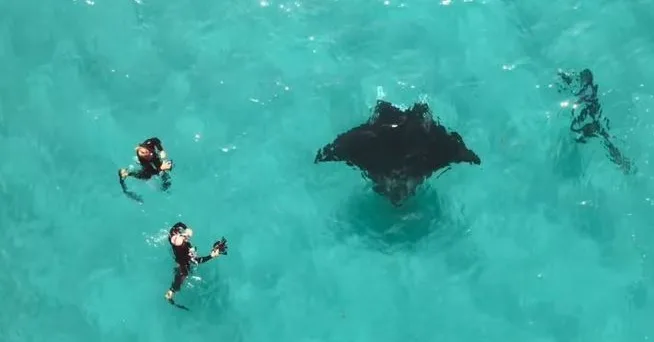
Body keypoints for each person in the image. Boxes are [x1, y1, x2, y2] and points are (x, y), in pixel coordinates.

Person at [164, 222, 227, 308]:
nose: (187, 238)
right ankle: (170, 294)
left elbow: (179, 224)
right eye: (186, 238)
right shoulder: (186, 250)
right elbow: (197, 261)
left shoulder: (172, 236)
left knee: (181, 272)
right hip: (183, 263)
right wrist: (211, 256)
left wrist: (185, 228)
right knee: (184, 274)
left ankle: (171, 292)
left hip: (178, 257)